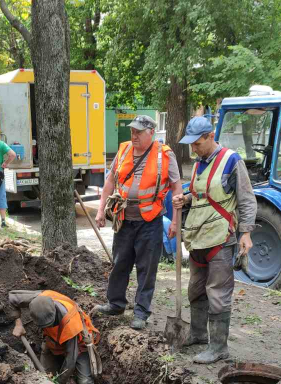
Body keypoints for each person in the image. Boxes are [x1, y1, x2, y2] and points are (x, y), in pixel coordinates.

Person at [169, 116, 257, 364]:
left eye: (197, 143)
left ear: (209, 136)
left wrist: (246, 232)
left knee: (217, 292)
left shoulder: (232, 161)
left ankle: (219, 347)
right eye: (191, 145)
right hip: (197, 238)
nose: (193, 149)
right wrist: (184, 199)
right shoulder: (199, 164)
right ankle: (198, 335)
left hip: (220, 238)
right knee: (196, 289)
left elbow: (247, 199)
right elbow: (200, 194)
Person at [93, 115, 183, 330]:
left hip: (150, 221)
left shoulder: (165, 154)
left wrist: (175, 222)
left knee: (147, 268)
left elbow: (177, 189)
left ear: (151, 132)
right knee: (119, 263)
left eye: (138, 132)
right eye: (132, 131)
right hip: (123, 219)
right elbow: (110, 181)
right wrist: (100, 210)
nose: (134, 135)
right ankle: (115, 303)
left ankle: (141, 313)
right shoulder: (124, 150)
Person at [9, 290, 101, 384]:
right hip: (52, 340)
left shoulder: (70, 322)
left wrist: (59, 383)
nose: (48, 326)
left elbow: (70, 361)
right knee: (43, 377)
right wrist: (18, 323)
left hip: (78, 344)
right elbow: (12, 298)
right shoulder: (36, 299)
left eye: (50, 323)